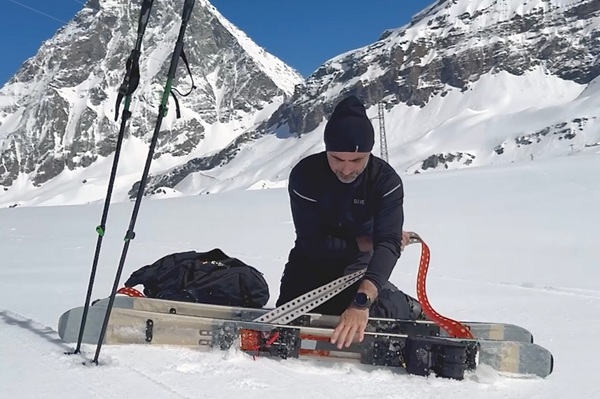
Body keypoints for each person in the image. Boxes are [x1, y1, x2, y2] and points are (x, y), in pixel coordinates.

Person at [276, 95, 423, 350]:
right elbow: (313, 243)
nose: (346, 169)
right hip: (310, 263)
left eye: (356, 160)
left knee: (372, 318)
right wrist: (369, 241)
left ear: (369, 153)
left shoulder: (385, 182)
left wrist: (361, 303)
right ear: (326, 151)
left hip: (357, 268)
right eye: (337, 159)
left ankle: (401, 304)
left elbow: (389, 244)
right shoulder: (305, 176)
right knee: (286, 324)